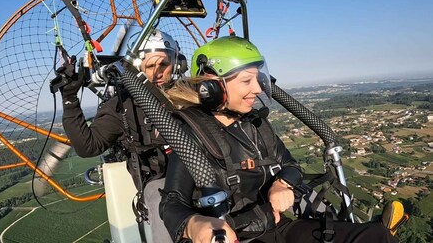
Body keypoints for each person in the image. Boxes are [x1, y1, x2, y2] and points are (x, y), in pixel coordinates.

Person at [160, 36, 399, 243]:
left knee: (374, 237)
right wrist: (195, 224)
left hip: (275, 227)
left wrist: (282, 184)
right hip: (234, 235)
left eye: (257, 79)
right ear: (211, 87)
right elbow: (172, 202)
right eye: (246, 81)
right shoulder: (188, 133)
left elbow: (291, 165)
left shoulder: (255, 124)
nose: (257, 88)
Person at [60, 28, 185, 242]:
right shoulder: (122, 105)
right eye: (150, 65)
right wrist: (70, 98)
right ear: (138, 69)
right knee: (161, 202)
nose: (158, 72)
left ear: (176, 65)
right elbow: (88, 146)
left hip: (200, 173)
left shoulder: (188, 96)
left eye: (163, 64)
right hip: (161, 183)